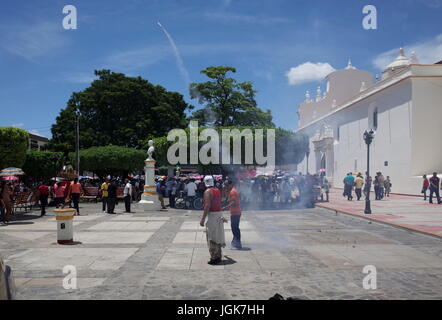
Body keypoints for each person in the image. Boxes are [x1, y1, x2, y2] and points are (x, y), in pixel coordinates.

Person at [200, 176, 226, 265]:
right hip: (219, 214)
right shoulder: (217, 190)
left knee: (211, 236)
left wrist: (203, 219)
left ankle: (214, 258)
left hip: (213, 216)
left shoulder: (207, 192)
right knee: (217, 236)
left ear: (205, 182)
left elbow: (207, 205)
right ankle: (218, 256)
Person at [223, 180, 242, 249]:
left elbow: (233, 202)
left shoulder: (233, 192)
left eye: (227, 185)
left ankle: (238, 243)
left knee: (235, 228)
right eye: (225, 185)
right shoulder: (232, 191)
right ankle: (235, 242)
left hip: (236, 213)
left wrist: (226, 207)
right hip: (235, 212)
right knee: (234, 227)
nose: (226, 187)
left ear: (230, 185)